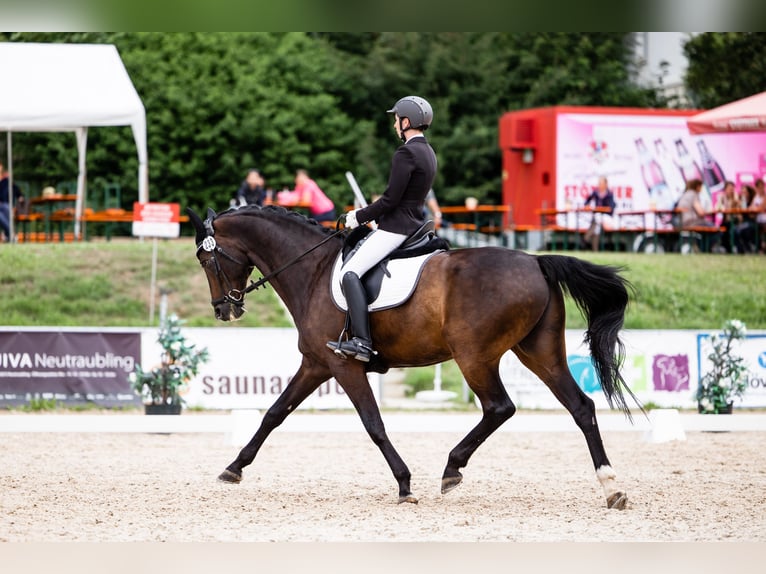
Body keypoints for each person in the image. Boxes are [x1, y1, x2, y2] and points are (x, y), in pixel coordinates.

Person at [326, 95, 437, 362]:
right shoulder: (428, 152)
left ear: (406, 121)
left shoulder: (406, 152)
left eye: (396, 120)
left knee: (349, 271)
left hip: (396, 229)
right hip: (415, 225)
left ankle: (362, 341)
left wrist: (358, 217)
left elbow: (390, 199)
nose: (394, 125)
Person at [677, 177, 722, 251]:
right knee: (717, 230)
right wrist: (710, 211)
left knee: (708, 230)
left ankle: (702, 248)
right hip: (692, 222)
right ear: (698, 186)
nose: (702, 189)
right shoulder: (693, 194)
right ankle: (705, 249)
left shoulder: (685, 194)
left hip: (684, 222)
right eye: (701, 187)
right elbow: (701, 212)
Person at [582, 176, 615, 250]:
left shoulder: (609, 194)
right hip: (598, 217)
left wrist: (605, 209)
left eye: (601, 183)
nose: (599, 185)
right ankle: (595, 249)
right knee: (597, 228)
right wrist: (587, 205)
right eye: (599, 183)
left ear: (606, 184)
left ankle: (586, 238)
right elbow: (587, 201)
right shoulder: (596, 193)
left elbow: (611, 208)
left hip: (606, 217)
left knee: (597, 217)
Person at [0, 161, 24, 242]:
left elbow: (16, 190)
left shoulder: (6, 181)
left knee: (6, 208)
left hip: (5, 205)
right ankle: (11, 234)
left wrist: (20, 197)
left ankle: (7, 235)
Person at [714, 181, 740, 253]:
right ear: (725, 189)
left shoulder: (735, 197)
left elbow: (737, 210)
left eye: (732, 189)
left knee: (728, 228)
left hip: (735, 220)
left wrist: (734, 200)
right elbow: (717, 208)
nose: (731, 191)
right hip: (726, 221)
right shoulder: (722, 197)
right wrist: (720, 200)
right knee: (723, 228)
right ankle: (728, 249)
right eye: (729, 189)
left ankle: (730, 249)